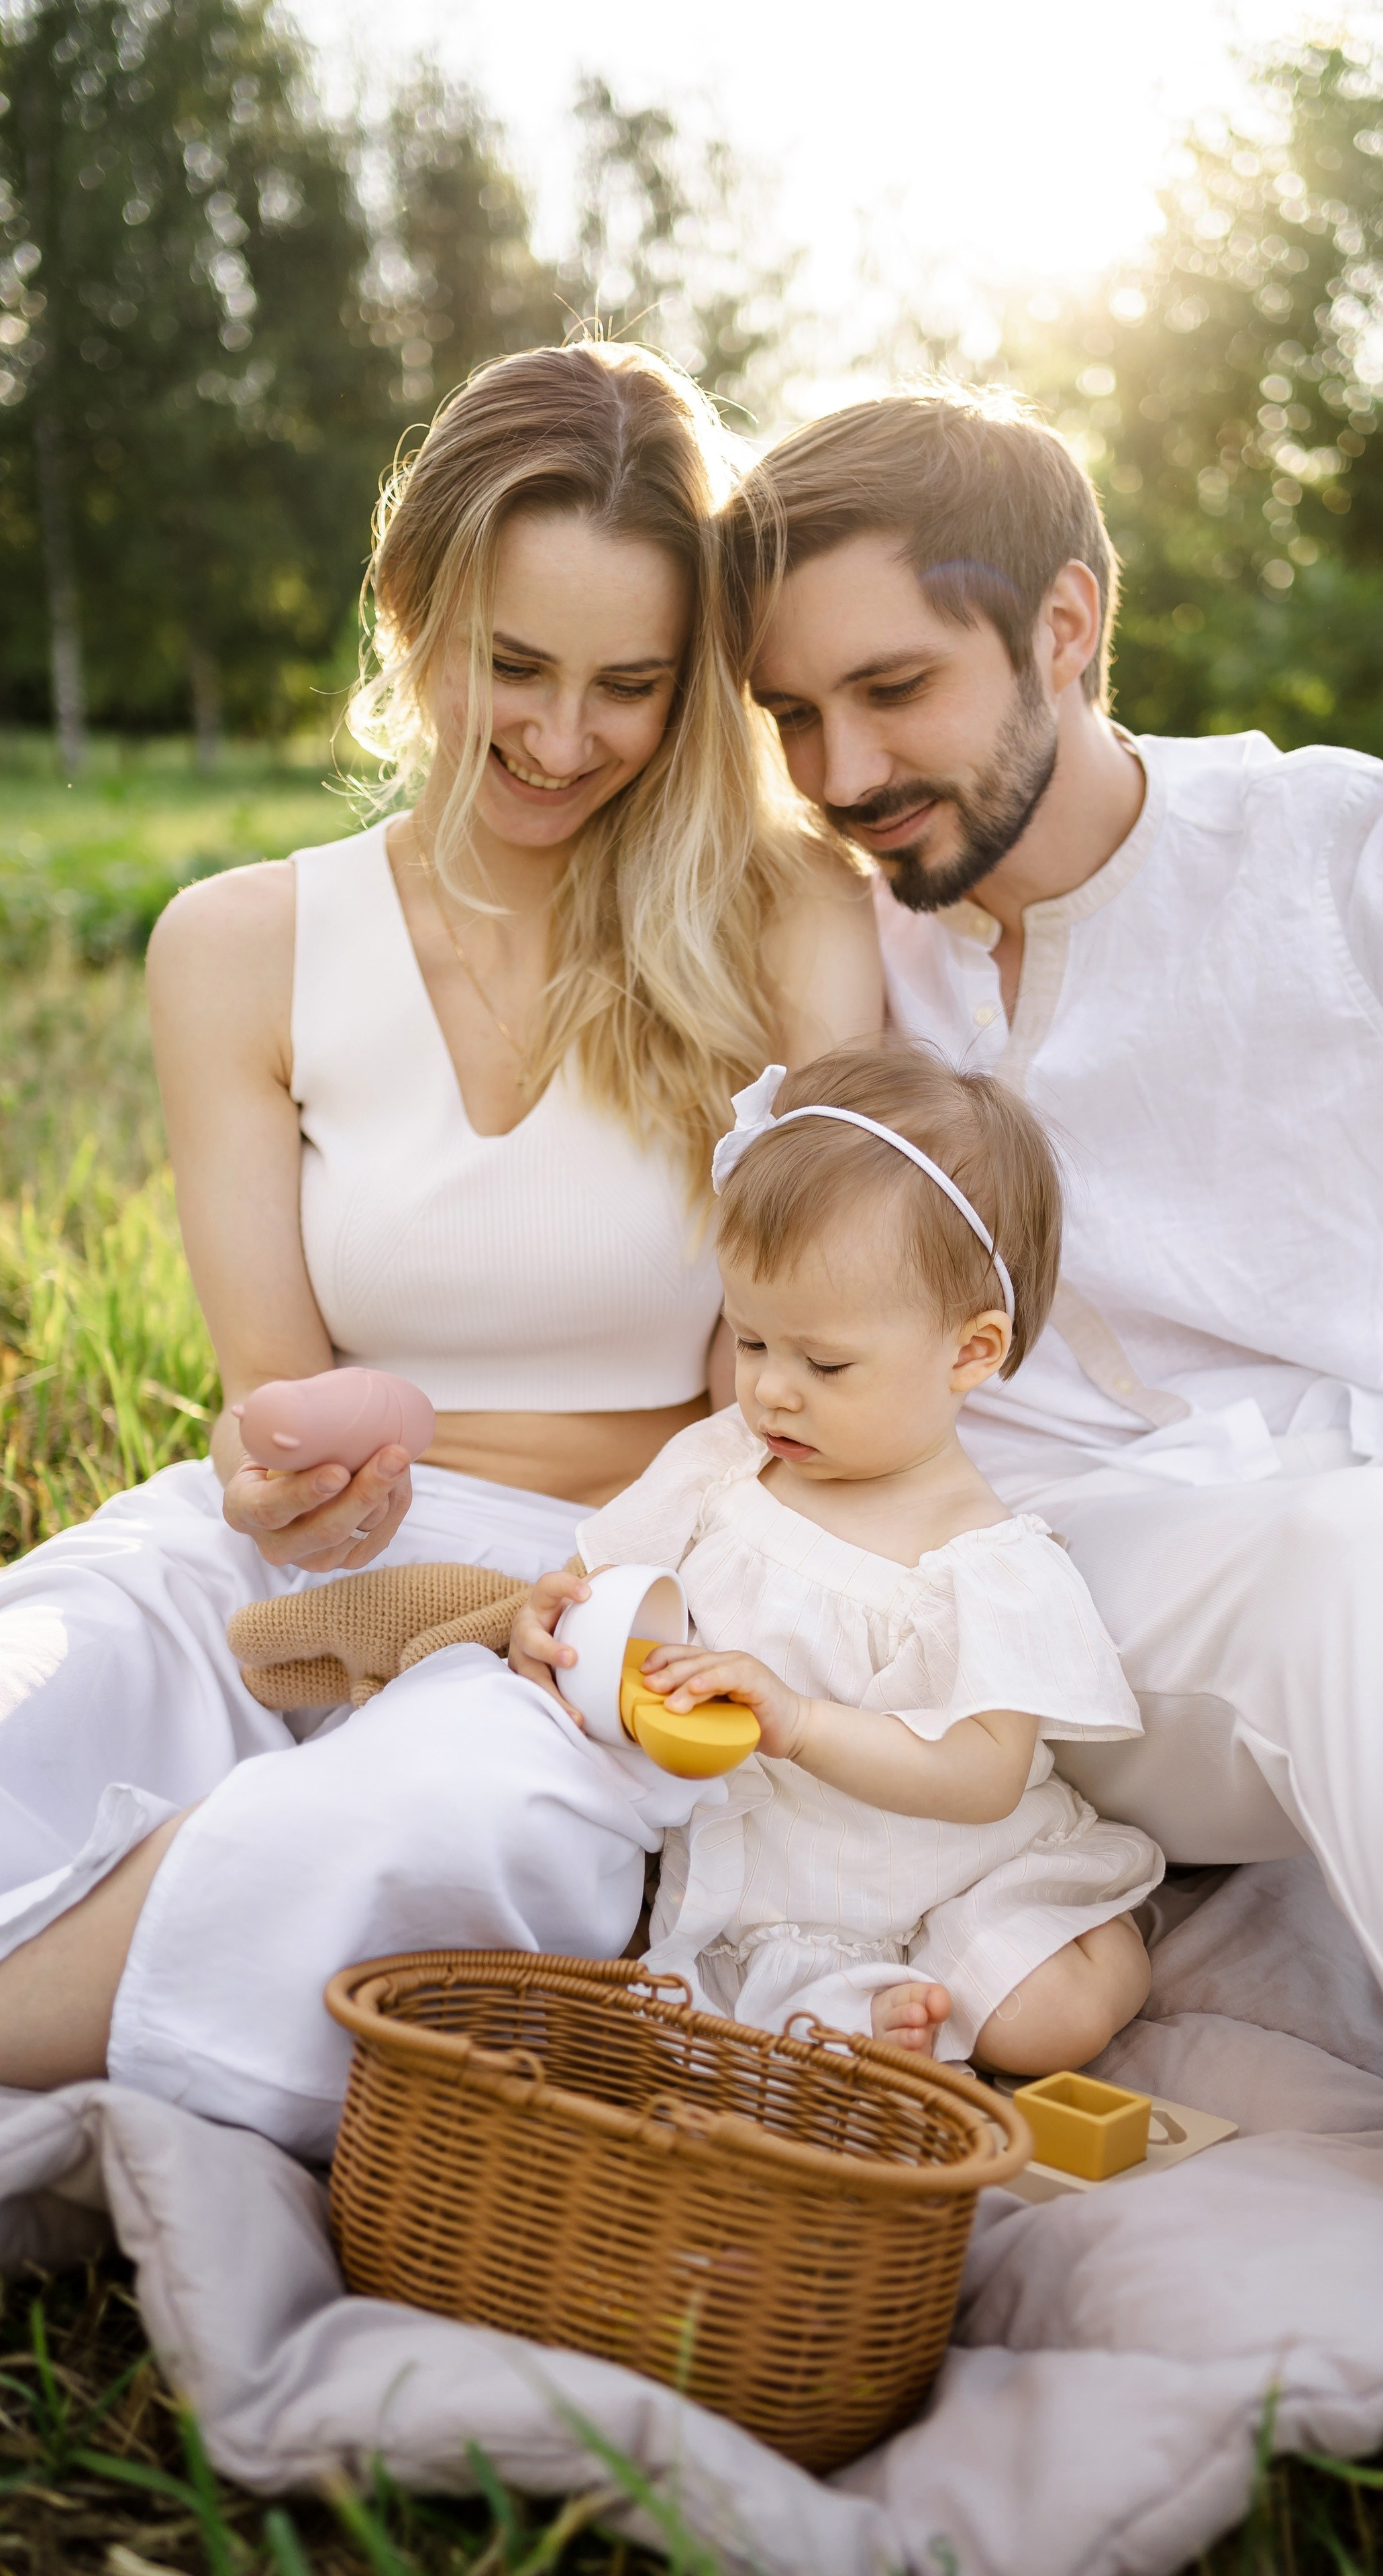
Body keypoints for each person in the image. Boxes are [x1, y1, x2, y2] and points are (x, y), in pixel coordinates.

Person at [717, 387, 1383, 2373]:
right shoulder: (826, 935)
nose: (840, 771)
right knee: (1348, 1556)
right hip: (1055, 1605)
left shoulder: (1353, 855)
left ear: (1065, 627)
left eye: (893, 691)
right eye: (793, 717)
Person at [0, 339, 881, 2091]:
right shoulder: (238, 946)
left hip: (611, 1584)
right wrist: (277, 1475)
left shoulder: (782, 922)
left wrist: (600, 1602)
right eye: (513, 666)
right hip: (308, 1566)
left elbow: (809, 1388)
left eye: (629, 686)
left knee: (438, 1820)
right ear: (411, 618)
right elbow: (271, 1406)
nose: (559, 740)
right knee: (38, 1682)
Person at [507, 1044, 1162, 2067]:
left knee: (1047, 2016)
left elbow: (985, 1776)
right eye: (751, 1342)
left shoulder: (985, 1562)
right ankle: (881, 2019)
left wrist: (803, 1723)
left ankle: (1093, 1947)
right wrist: (555, 1626)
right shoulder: (724, 1468)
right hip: (777, 1891)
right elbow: (605, 1589)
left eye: (824, 1362)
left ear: (971, 1351)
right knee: (682, 1990)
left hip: (955, 1875)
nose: (771, 1390)